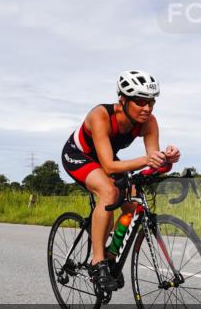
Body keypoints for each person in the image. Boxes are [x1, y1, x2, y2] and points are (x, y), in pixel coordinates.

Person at [61, 71, 180, 291]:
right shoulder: (101, 115)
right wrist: (146, 159)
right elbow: (108, 166)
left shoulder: (149, 122)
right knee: (109, 192)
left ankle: (110, 255)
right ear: (123, 100)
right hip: (79, 156)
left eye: (151, 102)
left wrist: (168, 159)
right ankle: (98, 262)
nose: (147, 108)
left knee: (132, 206)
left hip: (106, 158)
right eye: (140, 101)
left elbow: (154, 164)